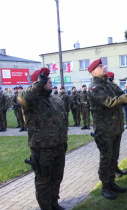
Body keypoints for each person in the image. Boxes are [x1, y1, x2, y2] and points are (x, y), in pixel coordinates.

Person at [87, 58, 127, 199]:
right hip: (104, 131)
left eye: (103, 65)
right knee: (106, 159)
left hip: (115, 128)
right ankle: (105, 187)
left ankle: (112, 183)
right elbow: (109, 102)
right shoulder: (94, 88)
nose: (104, 67)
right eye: (100, 66)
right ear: (93, 71)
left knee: (113, 158)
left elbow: (121, 94)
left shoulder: (109, 85)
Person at [18, 67, 68, 209]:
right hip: (42, 150)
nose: (50, 82)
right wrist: (39, 83)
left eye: (50, 79)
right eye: (47, 80)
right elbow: (23, 97)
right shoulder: (31, 101)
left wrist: (64, 141)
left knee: (56, 178)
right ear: (38, 83)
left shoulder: (55, 99)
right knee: (43, 182)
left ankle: (54, 203)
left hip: (59, 146)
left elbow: (63, 121)